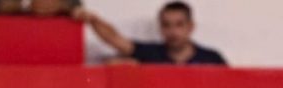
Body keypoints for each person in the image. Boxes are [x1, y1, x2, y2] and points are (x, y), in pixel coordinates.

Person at [74, 1, 227, 66]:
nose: (173, 31)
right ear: (160, 27)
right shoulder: (150, 54)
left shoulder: (212, 58)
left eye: (179, 25)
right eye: (166, 25)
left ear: (191, 27)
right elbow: (115, 39)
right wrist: (93, 19)